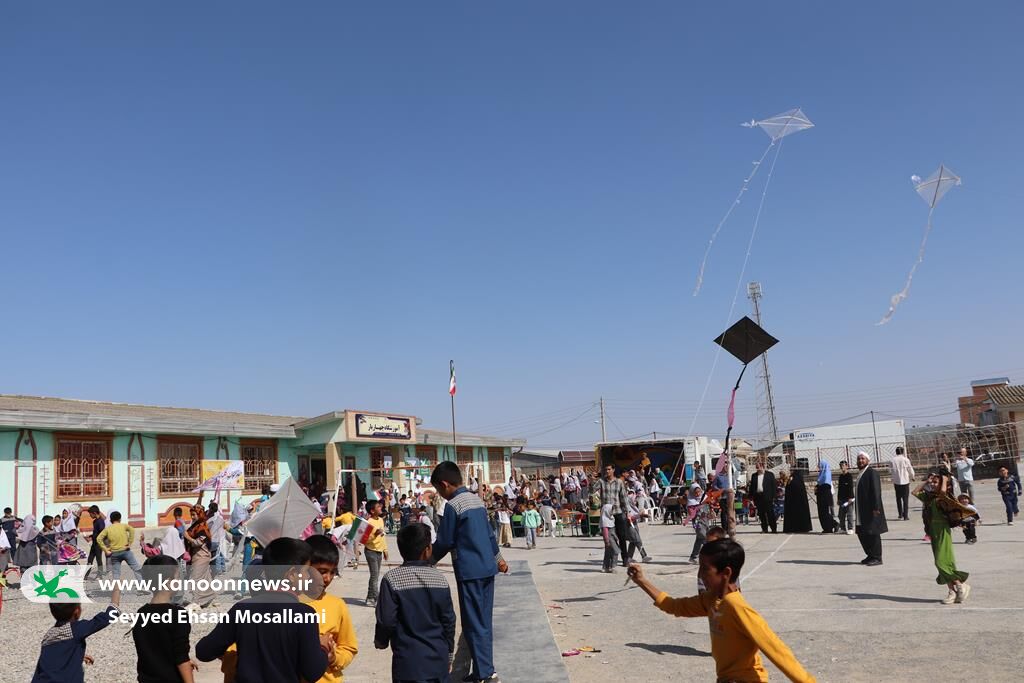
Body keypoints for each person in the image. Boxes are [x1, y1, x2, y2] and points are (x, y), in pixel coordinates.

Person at [627, 540, 815, 683]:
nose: (700, 574)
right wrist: (642, 581)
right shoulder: (712, 599)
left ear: (725, 573)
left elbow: (776, 649)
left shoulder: (737, 607)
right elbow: (674, 606)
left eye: (705, 569)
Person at [196, 538, 328, 683]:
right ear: (291, 574)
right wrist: (323, 647)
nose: (309, 576)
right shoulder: (304, 614)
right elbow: (313, 672)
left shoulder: (242, 609)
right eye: (306, 571)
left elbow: (204, 651)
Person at [430, 461, 509, 683]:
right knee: (483, 621)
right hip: (486, 569)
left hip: (469, 572)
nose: (440, 494)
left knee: (474, 623)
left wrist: (426, 562)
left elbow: (445, 540)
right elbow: (490, 535)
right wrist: (499, 559)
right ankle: (482, 669)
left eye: (438, 490)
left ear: (444, 485)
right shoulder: (477, 501)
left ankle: (486, 673)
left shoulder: (453, 506)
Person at [375, 523, 457, 683]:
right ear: (427, 550)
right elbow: (449, 620)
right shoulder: (440, 579)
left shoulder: (391, 579)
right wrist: (449, 653)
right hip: (437, 661)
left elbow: (386, 620)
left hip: (407, 663)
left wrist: (381, 641)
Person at [31, 584, 121, 683]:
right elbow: (109, 616)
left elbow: (47, 662)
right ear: (77, 611)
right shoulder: (76, 629)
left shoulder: (49, 635)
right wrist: (117, 589)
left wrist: (77, 655)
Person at [131, 555, 196, 683]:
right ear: (167, 581)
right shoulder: (178, 614)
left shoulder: (141, 613)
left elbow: (154, 649)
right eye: (177, 577)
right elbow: (181, 657)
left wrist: (187, 662)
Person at [305, 535, 359, 683]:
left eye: (332, 572)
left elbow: (348, 647)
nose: (328, 578)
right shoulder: (286, 604)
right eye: (322, 571)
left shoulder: (337, 605)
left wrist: (334, 657)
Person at [913, 469, 972, 604]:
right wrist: (926, 482)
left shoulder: (944, 496)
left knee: (940, 561)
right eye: (932, 482)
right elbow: (915, 492)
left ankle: (959, 584)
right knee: (943, 563)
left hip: (943, 529)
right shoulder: (929, 497)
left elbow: (943, 491)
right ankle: (952, 591)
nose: (933, 484)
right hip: (932, 530)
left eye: (935, 482)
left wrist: (944, 479)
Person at [855, 452, 887, 566]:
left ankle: (877, 557)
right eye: (859, 459)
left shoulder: (871, 472)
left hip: (871, 509)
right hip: (861, 510)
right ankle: (870, 555)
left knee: (873, 532)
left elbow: (876, 491)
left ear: (868, 460)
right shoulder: (861, 473)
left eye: (863, 459)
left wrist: (876, 507)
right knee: (863, 533)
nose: (860, 461)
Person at [597, 463, 631, 568]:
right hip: (607, 515)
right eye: (605, 469)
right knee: (610, 539)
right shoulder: (601, 482)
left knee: (622, 536)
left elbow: (624, 498)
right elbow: (591, 491)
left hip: (618, 512)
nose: (607, 471)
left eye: (609, 469)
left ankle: (625, 559)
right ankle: (611, 561)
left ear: (613, 470)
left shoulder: (619, 482)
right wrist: (593, 480)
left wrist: (628, 512)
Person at [183, 503, 216, 608]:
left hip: (202, 555)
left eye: (194, 515)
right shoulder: (195, 526)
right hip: (196, 555)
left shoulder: (202, 527)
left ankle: (196, 602)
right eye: (191, 515)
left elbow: (197, 542)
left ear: (200, 514)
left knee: (195, 578)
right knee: (206, 578)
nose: (192, 517)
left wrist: (186, 536)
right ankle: (210, 598)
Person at [96, 511, 143, 581]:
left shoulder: (108, 529)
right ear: (120, 519)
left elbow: (98, 538)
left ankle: (117, 589)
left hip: (114, 554)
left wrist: (106, 549)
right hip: (126, 551)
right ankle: (141, 586)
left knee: (116, 573)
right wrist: (129, 543)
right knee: (136, 568)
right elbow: (132, 530)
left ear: (110, 520)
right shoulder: (124, 526)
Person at [363, 500, 389, 608]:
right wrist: (374, 534)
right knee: (374, 576)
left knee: (375, 575)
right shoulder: (368, 522)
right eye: (378, 506)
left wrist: (385, 550)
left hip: (379, 551)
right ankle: (377, 599)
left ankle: (370, 598)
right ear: (372, 511)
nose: (380, 507)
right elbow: (364, 540)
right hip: (370, 551)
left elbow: (383, 537)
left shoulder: (381, 520)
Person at [748, 461, 777, 534]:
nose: (757, 469)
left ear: (762, 467)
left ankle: (773, 529)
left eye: (758, 467)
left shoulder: (770, 475)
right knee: (761, 514)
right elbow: (752, 487)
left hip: (768, 497)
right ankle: (764, 529)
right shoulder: (754, 476)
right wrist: (750, 497)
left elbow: (774, 487)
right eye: (756, 468)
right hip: (758, 497)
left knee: (770, 513)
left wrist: (774, 497)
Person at [890, 446, 915, 520]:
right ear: (903, 452)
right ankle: (906, 516)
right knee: (905, 499)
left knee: (898, 498)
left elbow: (889, 470)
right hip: (905, 481)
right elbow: (910, 468)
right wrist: (912, 476)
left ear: (896, 452)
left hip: (897, 482)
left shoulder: (892, 460)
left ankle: (900, 514)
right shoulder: (906, 460)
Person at [814, 462, 838, 533]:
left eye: (820, 466)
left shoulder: (826, 474)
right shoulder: (821, 474)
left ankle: (835, 524)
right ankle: (827, 528)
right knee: (822, 513)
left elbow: (826, 486)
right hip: (821, 497)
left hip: (825, 497)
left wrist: (818, 488)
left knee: (825, 513)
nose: (819, 468)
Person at [84, 506, 106, 578]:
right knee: (90, 559)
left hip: (98, 544)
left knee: (98, 559)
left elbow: (102, 533)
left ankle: (100, 575)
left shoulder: (101, 521)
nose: (90, 516)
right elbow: (96, 533)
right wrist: (90, 536)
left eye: (90, 514)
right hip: (94, 543)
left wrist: (93, 537)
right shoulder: (95, 521)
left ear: (94, 513)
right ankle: (86, 575)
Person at [207, 501, 226, 576]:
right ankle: (216, 571)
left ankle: (214, 571)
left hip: (211, 540)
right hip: (218, 540)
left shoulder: (209, 520)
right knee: (216, 556)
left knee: (209, 557)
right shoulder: (220, 518)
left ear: (210, 509)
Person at [836, 461, 855, 535]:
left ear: (847, 466)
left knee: (849, 514)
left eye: (843, 465)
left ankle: (850, 528)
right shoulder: (841, 476)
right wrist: (838, 499)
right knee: (841, 515)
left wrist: (850, 497)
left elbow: (850, 487)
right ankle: (843, 528)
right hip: (842, 498)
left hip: (848, 499)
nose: (842, 467)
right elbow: (840, 488)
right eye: (841, 465)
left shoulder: (849, 476)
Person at [600, 503, 619, 574]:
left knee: (608, 553)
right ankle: (613, 567)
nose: (612, 512)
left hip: (613, 538)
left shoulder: (611, 518)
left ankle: (605, 567)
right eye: (611, 510)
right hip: (609, 539)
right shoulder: (604, 520)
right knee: (615, 551)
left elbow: (613, 531)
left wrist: (616, 538)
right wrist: (607, 541)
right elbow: (605, 532)